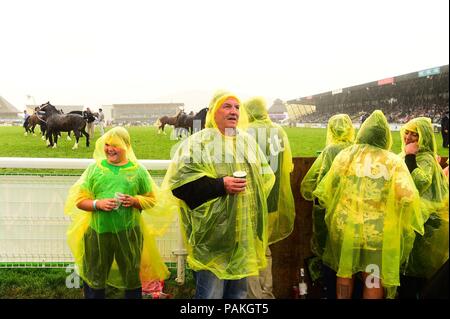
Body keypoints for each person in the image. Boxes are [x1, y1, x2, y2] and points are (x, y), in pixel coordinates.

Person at [162, 90, 275, 299]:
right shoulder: (198, 144)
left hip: (242, 237)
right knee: (210, 295)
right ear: (214, 111)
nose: (234, 111)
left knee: (238, 296)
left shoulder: (247, 143)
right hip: (212, 240)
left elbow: (265, 179)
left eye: (237, 107)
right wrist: (220, 185)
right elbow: (180, 187)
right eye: (227, 106)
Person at [313, 110, 424, 299]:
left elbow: (326, 190)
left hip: (345, 228)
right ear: (386, 136)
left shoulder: (346, 156)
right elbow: (407, 197)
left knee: (344, 272)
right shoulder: (393, 162)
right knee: (372, 278)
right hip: (377, 233)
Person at [64, 127, 176, 299]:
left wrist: (134, 201)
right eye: (107, 144)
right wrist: (97, 204)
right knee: (95, 277)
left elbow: (152, 199)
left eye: (115, 145)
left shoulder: (138, 171)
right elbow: (79, 200)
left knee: (131, 277)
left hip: (129, 233)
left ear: (126, 146)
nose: (109, 149)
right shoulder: (95, 169)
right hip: (98, 233)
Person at [243, 96, 295, 299]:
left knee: (250, 249)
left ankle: (254, 296)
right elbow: (288, 165)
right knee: (264, 247)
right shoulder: (279, 131)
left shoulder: (247, 132)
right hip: (272, 200)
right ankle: (267, 292)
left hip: (252, 199)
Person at [300, 114, 355, 298]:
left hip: (332, 214)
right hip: (353, 214)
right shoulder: (357, 150)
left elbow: (316, 183)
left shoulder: (331, 150)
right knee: (349, 261)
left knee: (331, 260)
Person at [397, 117, 449, 299]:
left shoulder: (424, 157)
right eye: (407, 132)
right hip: (414, 221)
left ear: (424, 137)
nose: (409, 137)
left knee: (414, 272)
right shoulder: (407, 154)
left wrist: (411, 156)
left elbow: (419, 182)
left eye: (415, 134)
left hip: (424, 225)